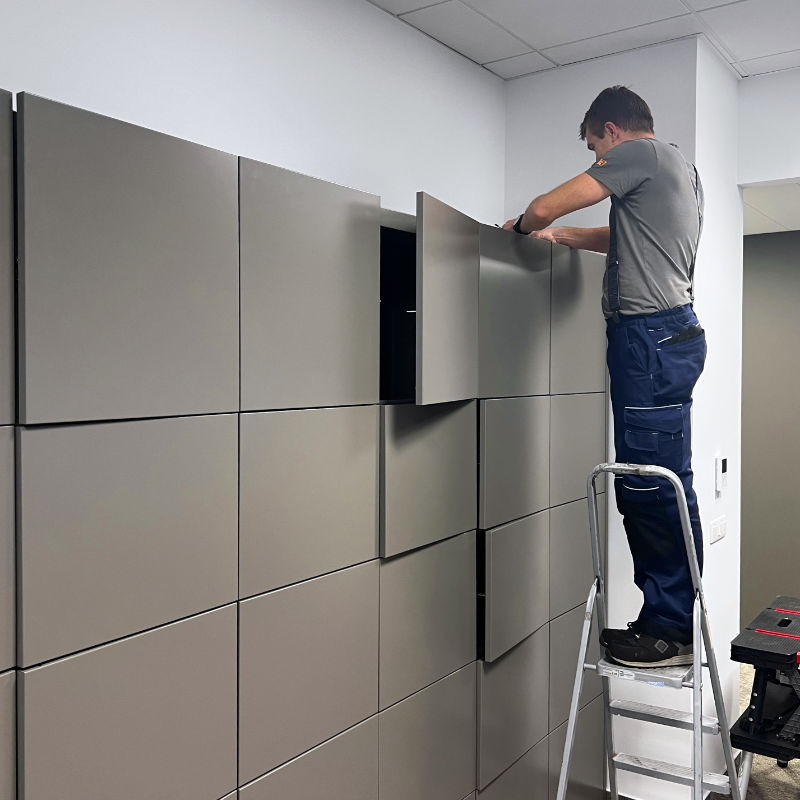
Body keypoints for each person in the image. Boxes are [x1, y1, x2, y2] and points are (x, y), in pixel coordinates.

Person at [504, 86, 705, 668]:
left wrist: (523, 226)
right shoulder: (681, 170)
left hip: (647, 338)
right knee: (668, 477)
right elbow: (627, 237)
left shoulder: (636, 154)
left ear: (610, 131)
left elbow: (543, 207)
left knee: (645, 483)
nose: (596, 158)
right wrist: (563, 240)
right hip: (671, 335)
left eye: (595, 147)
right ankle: (677, 617)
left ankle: (668, 630)